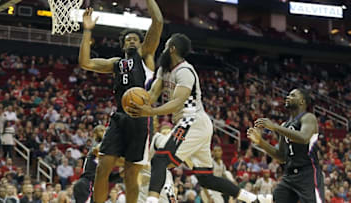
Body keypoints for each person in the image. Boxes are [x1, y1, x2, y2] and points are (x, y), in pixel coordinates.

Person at [127, 33, 271, 203]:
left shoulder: (185, 71)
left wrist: (149, 112)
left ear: (172, 49)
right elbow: (152, 94)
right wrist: (137, 104)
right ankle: (254, 199)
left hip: (193, 120)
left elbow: (177, 103)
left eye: (166, 46)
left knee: (160, 158)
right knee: (206, 178)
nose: (163, 50)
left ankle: (151, 201)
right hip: (186, 123)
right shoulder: (163, 70)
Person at [78, 0, 163, 202]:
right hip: (119, 117)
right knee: (102, 169)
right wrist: (88, 31)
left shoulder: (145, 55)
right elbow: (86, 62)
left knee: (131, 174)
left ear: (141, 43)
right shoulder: (116, 63)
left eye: (135, 39)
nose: (132, 41)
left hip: (140, 118)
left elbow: (158, 21)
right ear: (123, 44)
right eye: (128, 39)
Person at [247, 88, 324, 203]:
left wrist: (275, 127)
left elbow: (303, 137)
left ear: (302, 101)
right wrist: (261, 142)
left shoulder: (308, 117)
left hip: (308, 173)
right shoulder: (285, 125)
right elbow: (281, 156)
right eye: (288, 95)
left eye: (292, 95)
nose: (288, 97)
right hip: (290, 175)